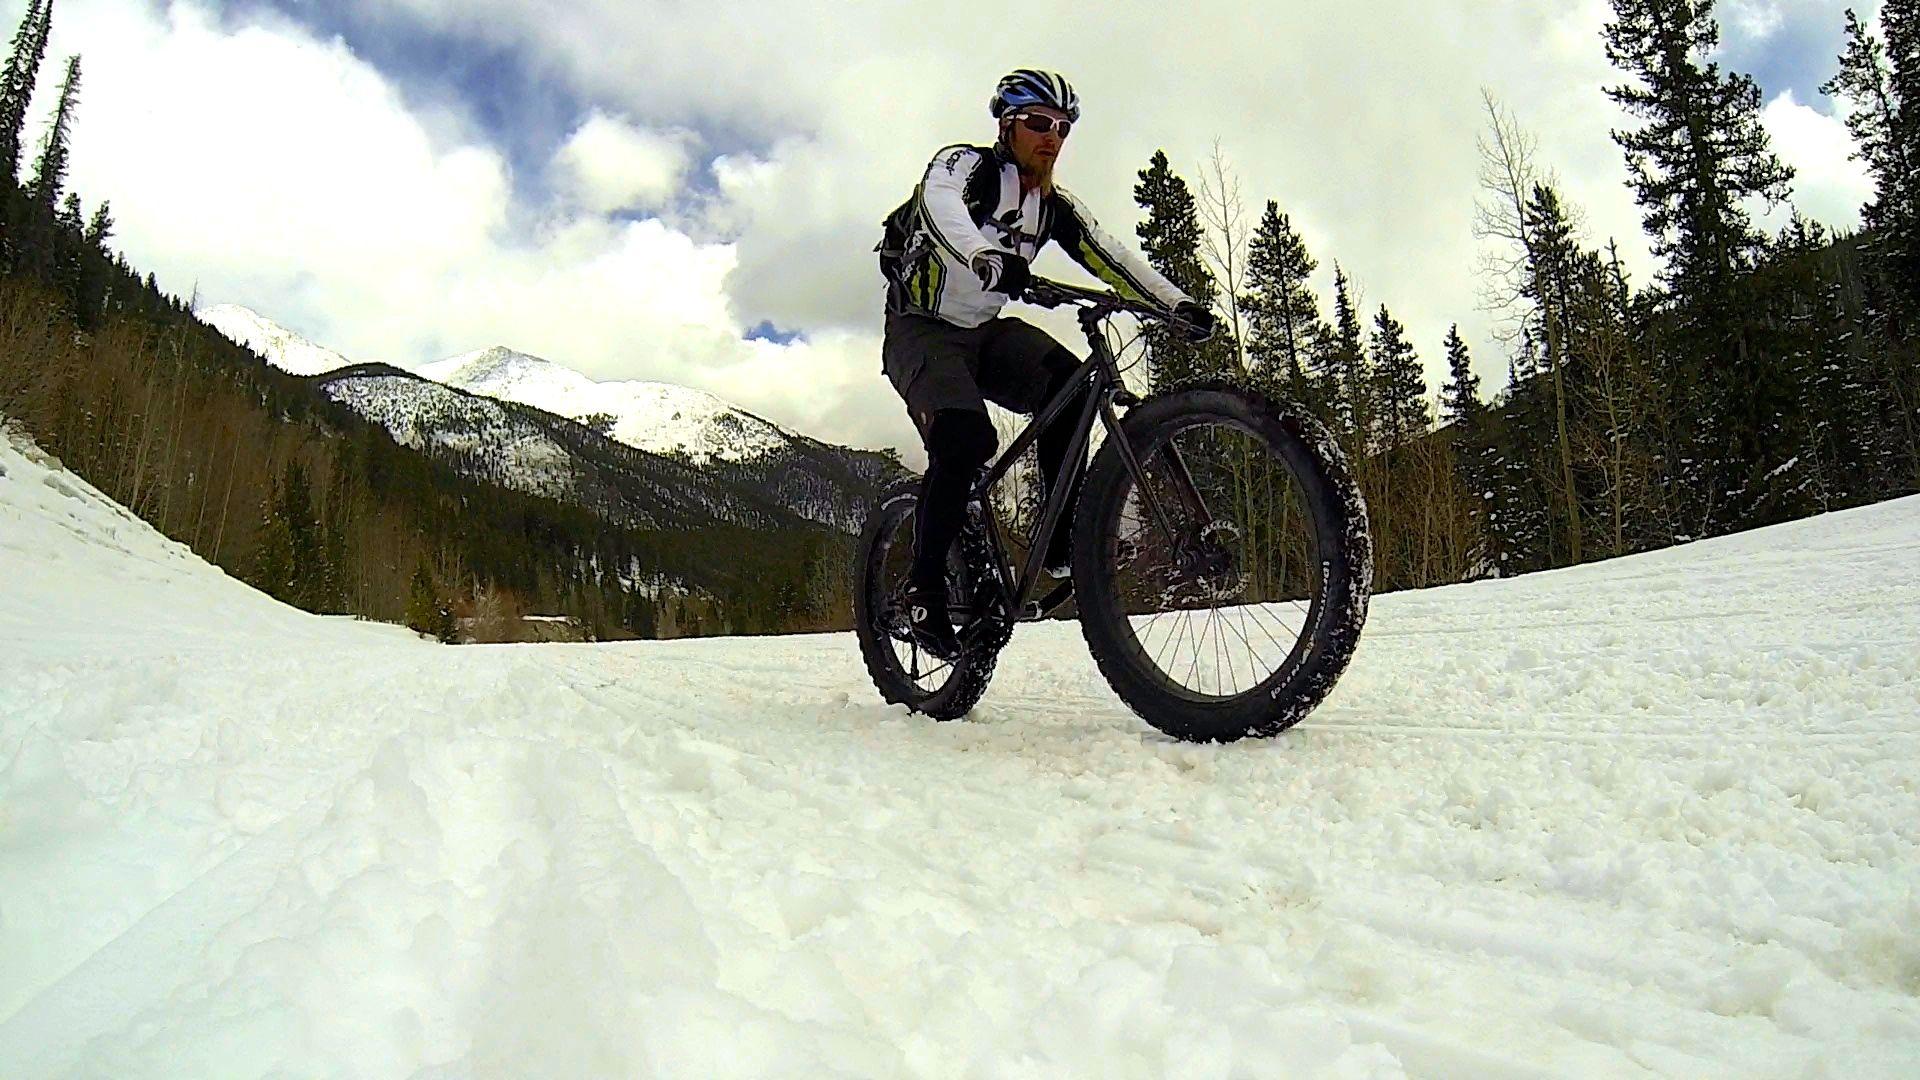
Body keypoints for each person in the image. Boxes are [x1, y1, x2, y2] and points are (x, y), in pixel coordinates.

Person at [876, 68, 1215, 660]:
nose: (1051, 137)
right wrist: (984, 255)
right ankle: (924, 588)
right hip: (920, 331)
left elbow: (1109, 254)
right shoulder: (963, 167)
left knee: (1077, 389)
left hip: (984, 333)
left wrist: (1175, 304)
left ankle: (1060, 547)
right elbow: (938, 207)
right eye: (1038, 124)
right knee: (964, 439)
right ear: (1008, 125)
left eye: (1062, 128)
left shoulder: (1050, 205)